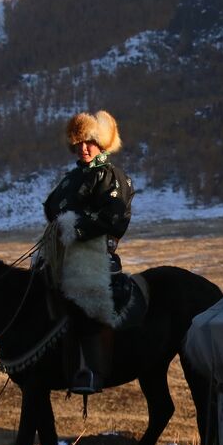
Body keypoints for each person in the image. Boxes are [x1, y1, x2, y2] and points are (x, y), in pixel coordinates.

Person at [42, 110, 139, 394]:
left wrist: (75, 227)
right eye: (78, 143)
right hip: (64, 251)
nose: (83, 148)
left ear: (102, 144)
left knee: (84, 300)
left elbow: (114, 219)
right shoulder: (71, 178)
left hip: (96, 252)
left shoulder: (112, 176)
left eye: (89, 143)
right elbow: (50, 206)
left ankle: (90, 369)